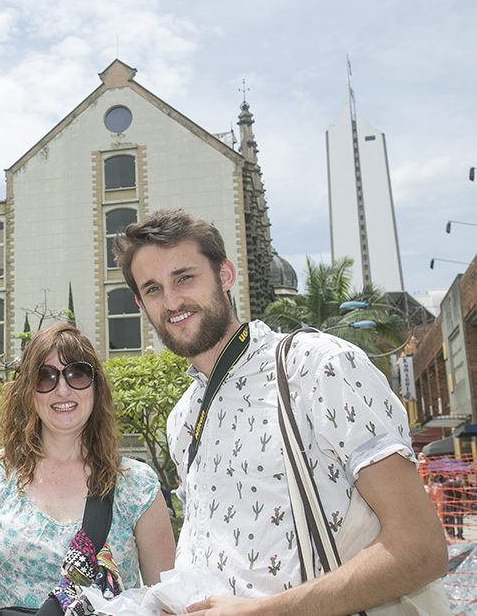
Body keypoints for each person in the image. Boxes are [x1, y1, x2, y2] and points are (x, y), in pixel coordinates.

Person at [113, 208, 448, 614]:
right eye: (153, 289)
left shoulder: (316, 366)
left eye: (185, 277)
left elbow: (421, 548)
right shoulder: (182, 418)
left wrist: (263, 612)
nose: (172, 301)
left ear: (225, 275)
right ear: (140, 303)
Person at [0, 323, 175, 614]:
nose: (62, 389)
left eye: (77, 374)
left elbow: (166, 601)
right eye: (45, 377)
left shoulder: (136, 485)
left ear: (96, 386)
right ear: (28, 392)